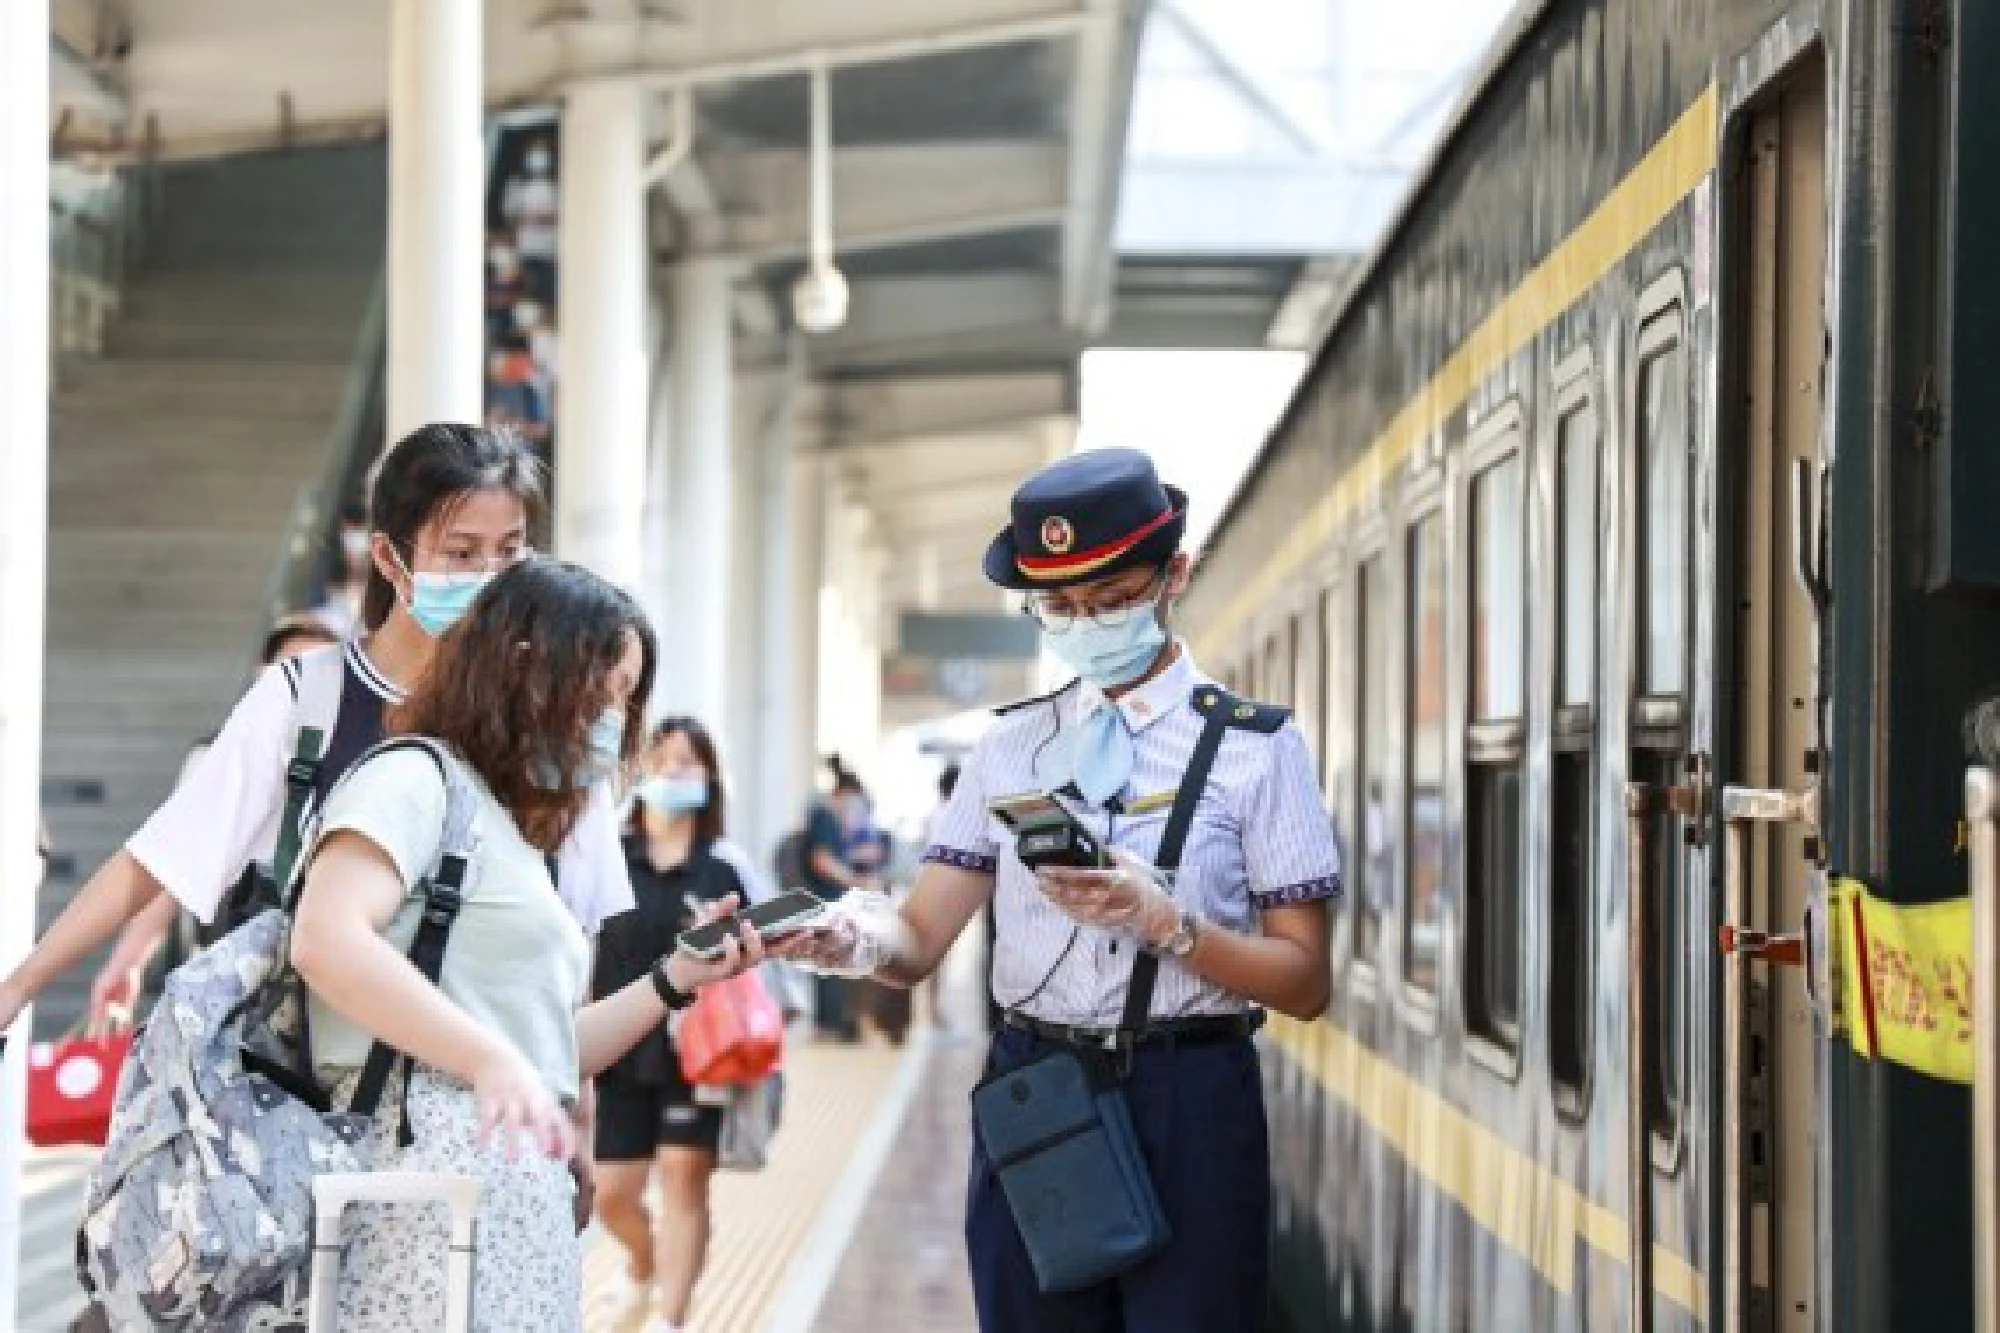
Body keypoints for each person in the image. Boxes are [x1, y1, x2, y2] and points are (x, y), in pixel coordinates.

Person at [0, 425, 635, 1215]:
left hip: (493, 1131)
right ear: (389, 557)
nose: (488, 577)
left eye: (509, 552)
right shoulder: (307, 700)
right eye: (461, 551)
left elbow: (571, 941)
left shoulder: (550, 716)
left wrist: (580, 1117)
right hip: (306, 1124)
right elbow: (163, 854)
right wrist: (21, 983)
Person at [778, 448, 1341, 1333]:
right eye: (1060, 608)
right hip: (1039, 1088)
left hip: (1188, 1094)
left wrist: (1173, 926)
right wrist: (852, 941)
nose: (1087, 623)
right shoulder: (1009, 747)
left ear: (1175, 576)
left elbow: (1306, 981)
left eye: (1113, 599)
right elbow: (920, 941)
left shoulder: (1256, 749)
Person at [289, 558, 766, 1333]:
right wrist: (489, 1060)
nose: (612, 719)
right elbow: (326, 937)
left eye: (624, 699)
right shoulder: (416, 782)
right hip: (415, 1212)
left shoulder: (511, 827)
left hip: (503, 1217)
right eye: (602, 689)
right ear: (524, 665)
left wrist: (677, 978)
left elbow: (540, 1046)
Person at [592, 716, 777, 1333]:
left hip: (702, 1050)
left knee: (683, 1177)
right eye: (663, 759)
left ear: (711, 779)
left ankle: (672, 1318)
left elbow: (768, 955)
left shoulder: (726, 867)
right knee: (611, 1192)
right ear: (639, 772)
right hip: (617, 1043)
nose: (675, 771)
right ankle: (644, 1267)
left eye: (689, 761)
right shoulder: (607, 857)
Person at [798, 762, 872, 1041]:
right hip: (824, 900)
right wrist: (856, 880)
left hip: (828, 900)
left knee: (830, 961)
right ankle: (829, 1024)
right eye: (852, 799)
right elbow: (822, 860)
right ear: (843, 793)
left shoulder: (828, 818)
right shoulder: (824, 816)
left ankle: (832, 1023)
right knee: (828, 963)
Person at [500, 138, 559, 305]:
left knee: (548, 295)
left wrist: (541, 219)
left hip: (549, 251)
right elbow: (510, 216)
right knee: (527, 296)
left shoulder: (556, 186)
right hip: (525, 249)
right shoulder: (517, 185)